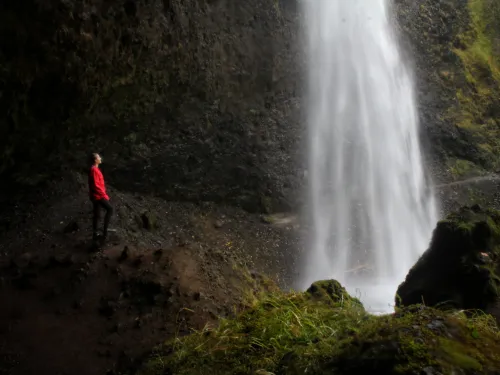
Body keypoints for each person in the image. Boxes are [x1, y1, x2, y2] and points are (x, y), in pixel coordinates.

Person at [88, 153, 113, 243]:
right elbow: (96, 185)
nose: (100, 158)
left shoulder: (95, 169)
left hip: (97, 195)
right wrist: (104, 195)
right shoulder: (94, 170)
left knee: (97, 215)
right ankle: (105, 232)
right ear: (95, 160)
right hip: (98, 196)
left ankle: (96, 235)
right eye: (99, 157)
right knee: (110, 209)